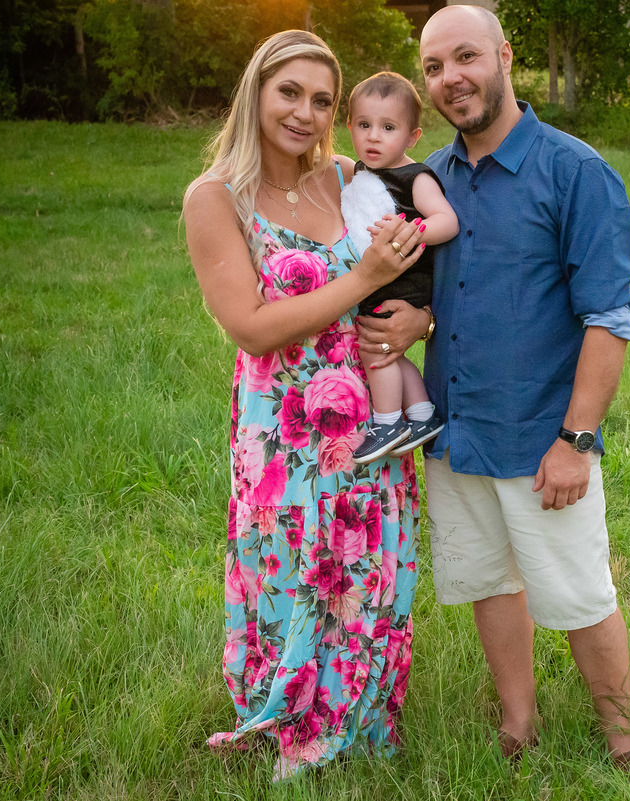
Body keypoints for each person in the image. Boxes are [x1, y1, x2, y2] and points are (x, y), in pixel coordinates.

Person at [357, 5, 630, 773]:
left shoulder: (574, 171)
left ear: (505, 56)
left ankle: (623, 738)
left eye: (466, 57)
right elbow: (440, 286)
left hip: (540, 435)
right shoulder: (428, 180)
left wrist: (576, 440)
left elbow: (608, 318)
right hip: (455, 430)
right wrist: (416, 317)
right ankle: (519, 721)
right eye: (434, 67)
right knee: (489, 580)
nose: (451, 78)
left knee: (580, 591)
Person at [182, 30, 430, 781]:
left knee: (365, 563)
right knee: (293, 563)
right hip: (283, 425)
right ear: (255, 91)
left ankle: (359, 715)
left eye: (323, 100)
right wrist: (363, 280)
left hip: (372, 413)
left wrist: (419, 320)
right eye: (289, 92)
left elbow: (424, 265)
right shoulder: (215, 197)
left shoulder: (349, 177)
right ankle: (291, 713)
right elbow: (251, 327)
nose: (305, 113)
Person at [339, 71, 459, 464]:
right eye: (364, 125)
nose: (374, 137)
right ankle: (423, 416)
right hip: (381, 276)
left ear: (412, 137)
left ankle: (388, 422)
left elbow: (447, 221)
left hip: (404, 278)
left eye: (388, 128)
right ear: (349, 126)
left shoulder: (415, 176)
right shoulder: (363, 170)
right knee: (392, 352)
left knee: (375, 349)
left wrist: (412, 231)